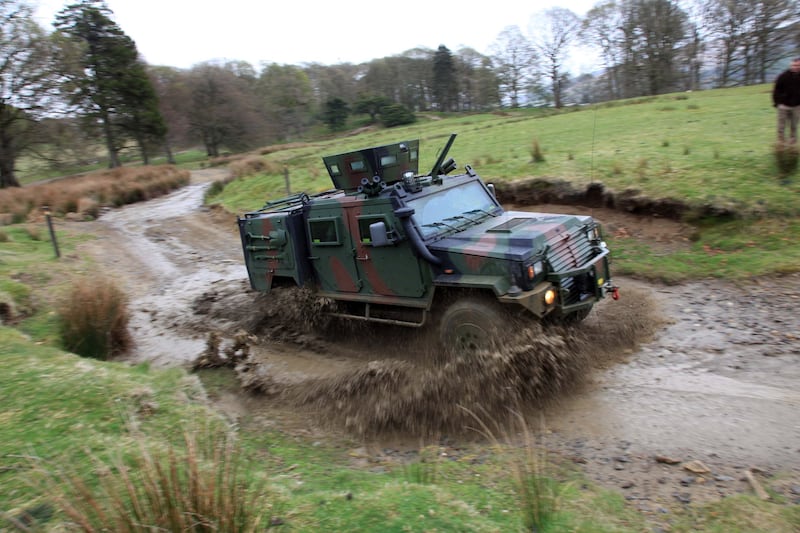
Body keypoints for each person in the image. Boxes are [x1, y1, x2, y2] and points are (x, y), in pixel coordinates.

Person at [772, 57, 800, 144]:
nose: (795, 67)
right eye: (794, 65)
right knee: (781, 126)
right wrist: (777, 103)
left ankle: (792, 145)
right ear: (790, 65)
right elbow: (776, 90)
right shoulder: (783, 76)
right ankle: (781, 144)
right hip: (784, 105)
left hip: (797, 106)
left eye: (797, 65)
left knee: (794, 126)